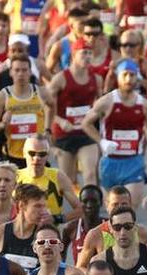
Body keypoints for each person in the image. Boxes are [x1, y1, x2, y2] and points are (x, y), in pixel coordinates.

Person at [83, 59, 147, 207]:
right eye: (125, 75)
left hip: (134, 161)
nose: (129, 79)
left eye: (132, 75)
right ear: (118, 77)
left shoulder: (144, 104)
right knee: (113, 210)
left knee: (130, 207)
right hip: (110, 162)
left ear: (138, 77)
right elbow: (86, 123)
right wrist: (101, 141)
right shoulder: (107, 101)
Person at [48, 37, 103, 188]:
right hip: (65, 134)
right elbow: (47, 107)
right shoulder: (60, 79)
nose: (87, 57)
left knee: (90, 174)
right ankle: (74, 208)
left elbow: (100, 106)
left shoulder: (96, 79)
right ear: (73, 55)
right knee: (67, 181)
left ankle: (91, 209)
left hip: (86, 134)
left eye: (90, 53)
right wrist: (60, 121)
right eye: (83, 53)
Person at [0, 54, 53, 168]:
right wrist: (3, 124)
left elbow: (52, 106)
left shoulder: (41, 92)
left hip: (38, 156)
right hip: (13, 157)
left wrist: (48, 129)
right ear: (11, 72)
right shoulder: (3, 96)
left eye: (24, 70)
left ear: (30, 72)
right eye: (17, 70)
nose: (20, 74)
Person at [17, 136, 85, 223]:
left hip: (49, 232)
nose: (37, 158)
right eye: (32, 153)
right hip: (21, 232)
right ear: (24, 153)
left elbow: (81, 210)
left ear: (48, 156)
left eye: (42, 154)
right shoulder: (15, 177)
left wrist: (56, 219)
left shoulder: (58, 176)